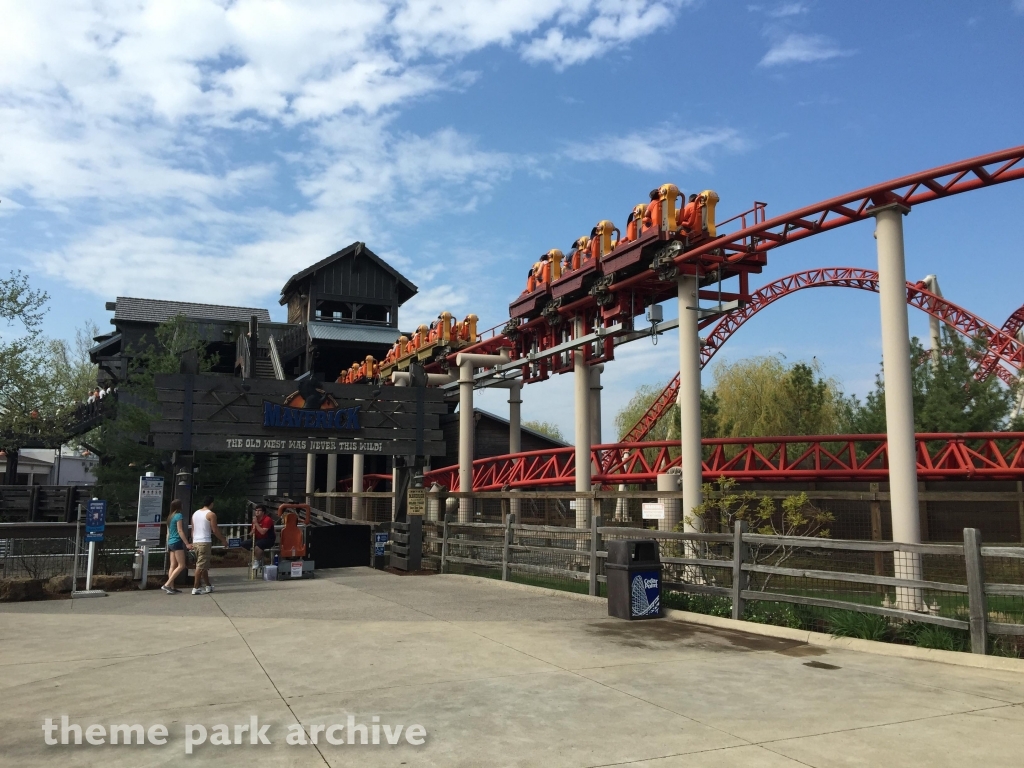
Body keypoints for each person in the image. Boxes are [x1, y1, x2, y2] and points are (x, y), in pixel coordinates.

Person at [191, 496, 227, 595]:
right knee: (200, 566)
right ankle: (196, 587)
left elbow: (193, 529)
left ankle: (208, 585)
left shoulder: (195, 513)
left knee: (203, 565)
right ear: (211, 503)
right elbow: (214, 530)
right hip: (205, 542)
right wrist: (223, 540)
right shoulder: (211, 514)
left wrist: (193, 540)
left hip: (196, 541)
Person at [161, 499, 192, 594]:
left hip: (170, 542)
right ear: (179, 506)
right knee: (181, 565)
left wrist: (167, 544)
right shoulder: (179, 516)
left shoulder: (170, 517)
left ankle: (171, 587)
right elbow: (180, 530)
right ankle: (167, 584)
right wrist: (187, 543)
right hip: (177, 542)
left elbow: (168, 532)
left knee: (173, 565)